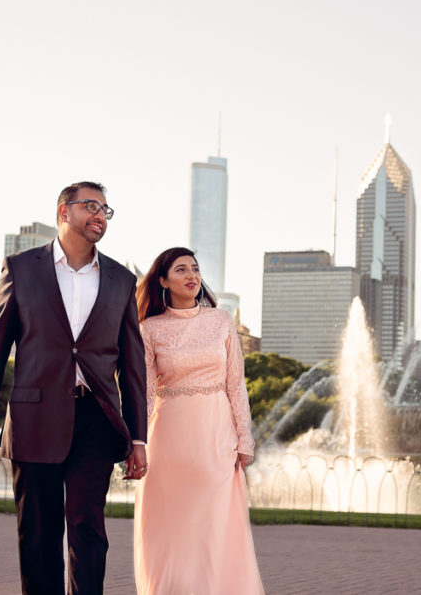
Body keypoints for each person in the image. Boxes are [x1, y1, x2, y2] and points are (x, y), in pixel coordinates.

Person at [0, 181, 148, 595]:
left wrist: (138, 437)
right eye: (90, 206)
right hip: (35, 418)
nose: (100, 215)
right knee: (39, 534)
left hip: (98, 419)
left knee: (89, 530)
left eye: (105, 209)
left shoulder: (121, 279)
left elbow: (133, 366)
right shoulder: (21, 268)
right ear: (63, 212)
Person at [133, 247, 264, 594]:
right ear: (163, 280)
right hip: (169, 441)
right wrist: (136, 443)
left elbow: (236, 383)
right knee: (172, 527)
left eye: (195, 268)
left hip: (217, 436)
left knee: (214, 525)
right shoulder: (149, 329)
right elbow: (145, 393)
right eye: (181, 270)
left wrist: (244, 439)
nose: (192, 275)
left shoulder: (221, 320)